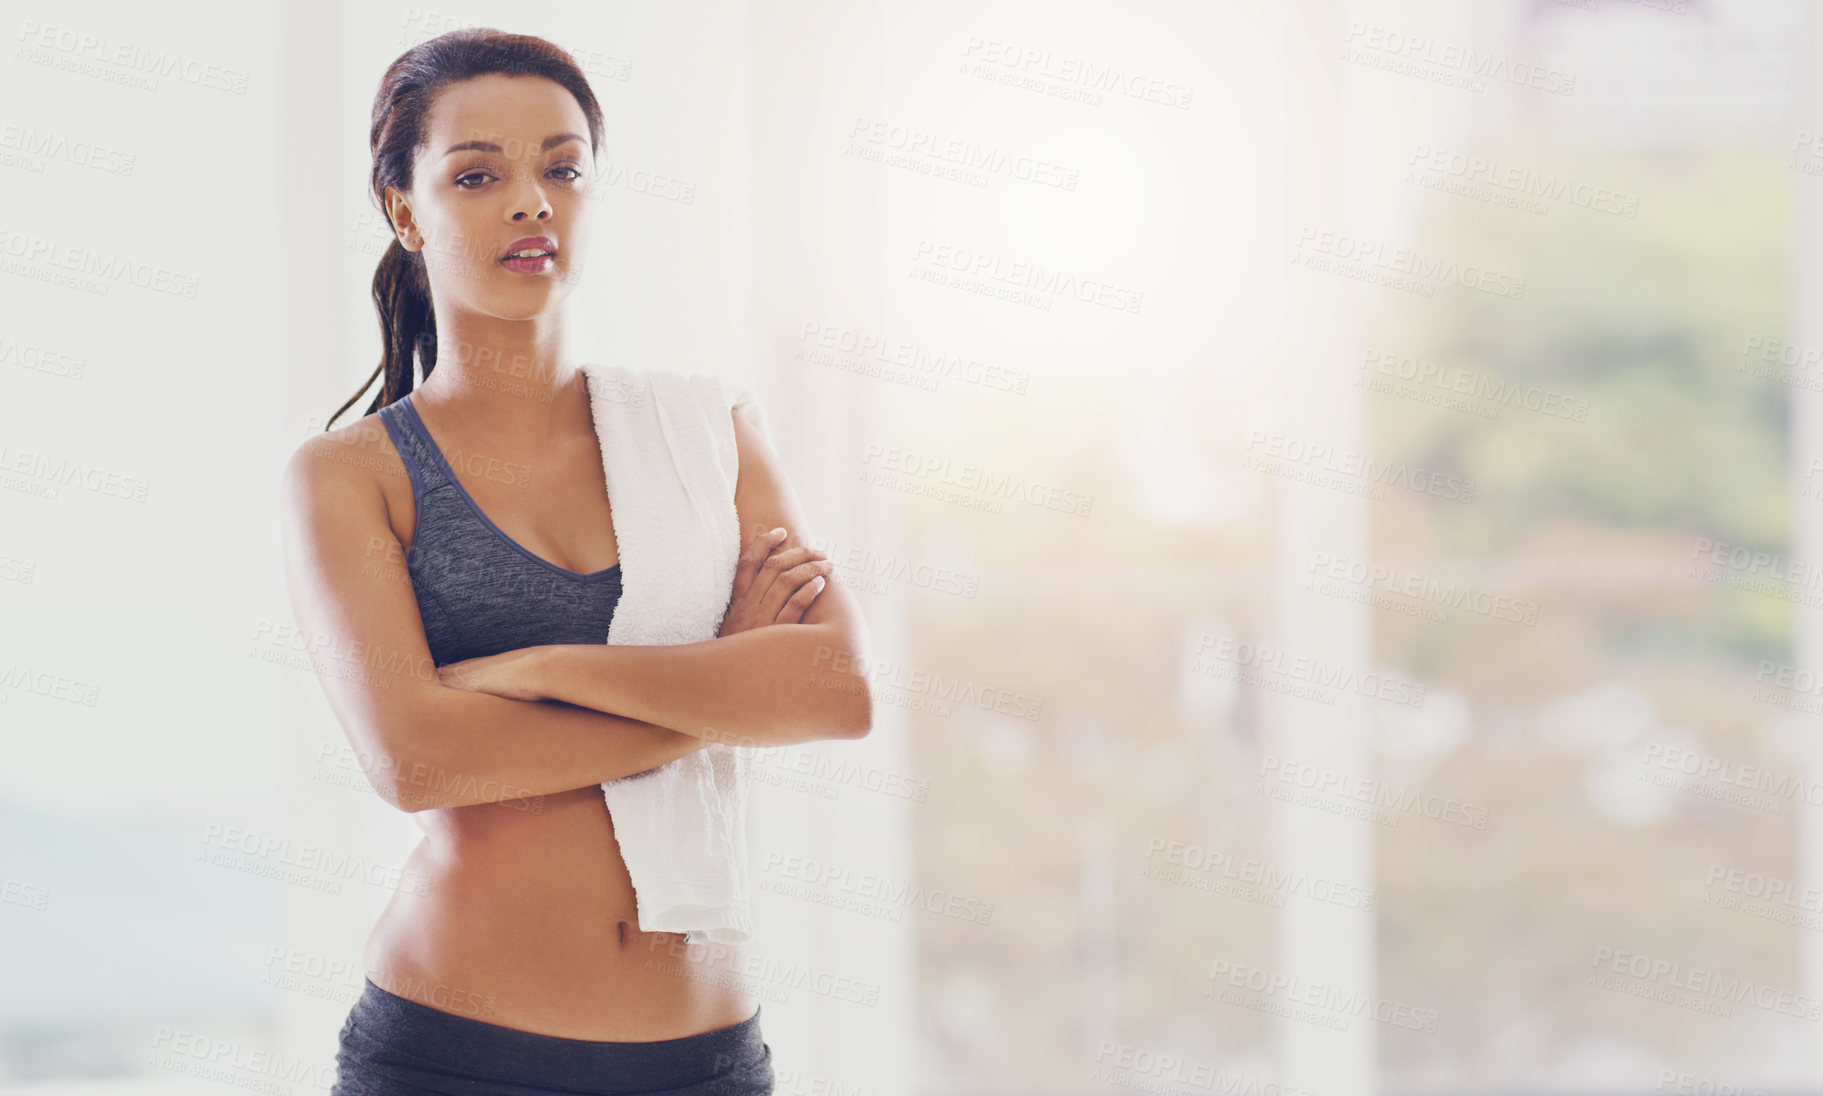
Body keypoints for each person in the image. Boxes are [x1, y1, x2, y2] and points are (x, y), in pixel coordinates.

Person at [278, 27, 873, 1095]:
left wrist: (535, 669)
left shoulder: (705, 429)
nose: (529, 200)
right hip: (455, 1057)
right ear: (404, 209)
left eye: (561, 167)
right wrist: (725, 680)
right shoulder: (350, 474)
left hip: (706, 1059)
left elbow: (833, 693)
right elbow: (416, 761)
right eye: (476, 174)